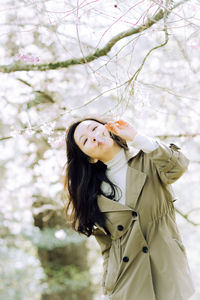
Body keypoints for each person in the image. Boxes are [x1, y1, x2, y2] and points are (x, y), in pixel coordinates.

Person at [64, 116, 195, 300]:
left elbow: (179, 165)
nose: (93, 137)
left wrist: (136, 137)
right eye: (85, 140)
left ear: (107, 128)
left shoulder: (148, 158)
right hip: (126, 285)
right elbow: (108, 248)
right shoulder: (94, 196)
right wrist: (107, 292)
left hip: (169, 270)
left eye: (94, 129)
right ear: (90, 158)